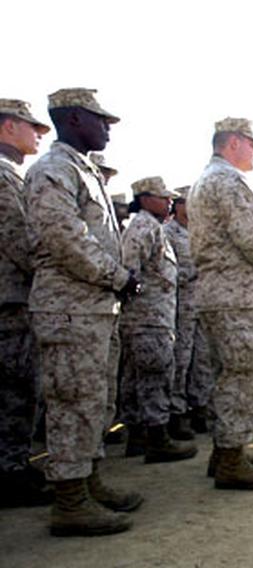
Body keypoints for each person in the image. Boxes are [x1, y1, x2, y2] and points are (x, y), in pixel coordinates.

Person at [26, 88, 143, 535]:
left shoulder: (83, 171)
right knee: (72, 403)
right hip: (69, 310)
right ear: (74, 119)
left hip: (93, 309)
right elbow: (67, 241)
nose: (107, 128)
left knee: (94, 401)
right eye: (101, 120)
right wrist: (119, 277)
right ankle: (70, 501)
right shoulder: (53, 171)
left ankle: (89, 481)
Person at [187, 117, 253, 489]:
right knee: (246, 375)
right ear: (233, 143)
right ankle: (230, 458)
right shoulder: (229, 181)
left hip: (218, 292)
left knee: (229, 374)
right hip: (236, 294)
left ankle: (226, 451)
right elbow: (251, 237)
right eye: (251, 144)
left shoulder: (206, 180)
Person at [120, 176, 198, 463]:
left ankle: (139, 438)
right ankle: (157, 438)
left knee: (139, 377)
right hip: (147, 318)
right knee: (155, 375)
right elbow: (129, 271)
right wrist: (142, 302)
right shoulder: (143, 226)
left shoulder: (151, 226)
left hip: (151, 316)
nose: (169, 202)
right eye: (163, 197)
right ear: (144, 198)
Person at [0, 98, 53, 508]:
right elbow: (21, 243)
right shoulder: (3, 178)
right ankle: (9, 472)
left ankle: (15, 465)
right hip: (10, 300)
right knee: (14, 390)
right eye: (29, 125)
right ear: (7, 127)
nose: (39, 133)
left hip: (15, 298)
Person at [164, 186, 214, 435]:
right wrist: (195, 272)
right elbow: (166, 272)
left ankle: (200, 407)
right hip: (180, 306)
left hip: (203, 304)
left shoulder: (201, 231)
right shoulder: (167, 232)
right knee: (180, 360)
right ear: (178, 204)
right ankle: (176, 412)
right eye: (185, 201)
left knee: (203, 359)